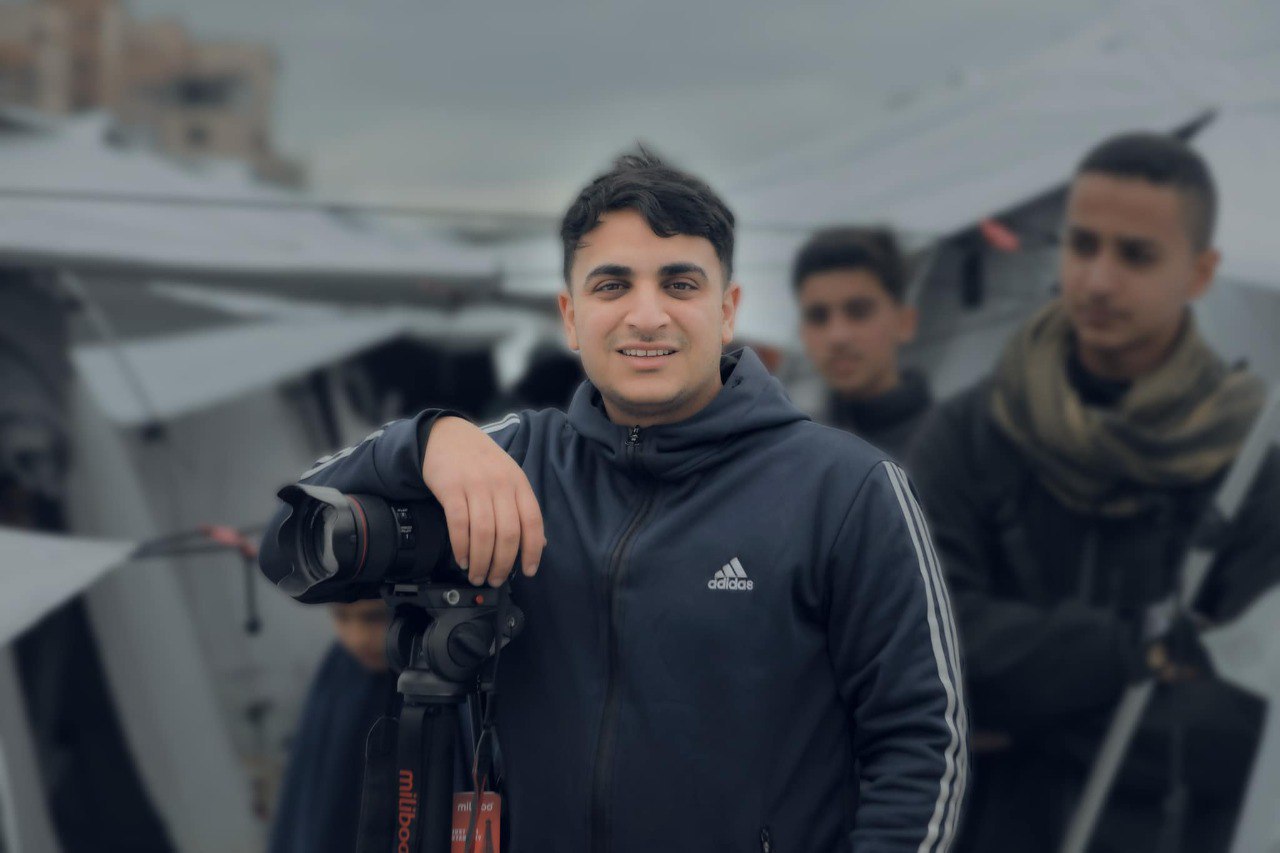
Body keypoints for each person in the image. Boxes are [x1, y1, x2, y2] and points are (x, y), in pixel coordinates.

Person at [261, 149, 966, 852]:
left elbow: (920, 741)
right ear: (571, 317)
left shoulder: (845, 490)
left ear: (727, 312)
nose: (647, 315)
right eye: (612, 285)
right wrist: (427, 441)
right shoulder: (509, 461)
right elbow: (285, 545)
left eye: (680, 283)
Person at [908, 132, 1280, 853]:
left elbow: (1246, 726)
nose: (1098, 280)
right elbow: (921, 651)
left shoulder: (1247, 472)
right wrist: (1136, 651)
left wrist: (1021, 715)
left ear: (1200, 272)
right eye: (1082, 245)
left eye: (1136, 255)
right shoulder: (969, 435)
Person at [789, 227, 930, 460]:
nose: (837, 336)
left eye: (859, 311)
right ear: (802, 333)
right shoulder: (792, 450)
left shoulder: (959, 448)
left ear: (905, 322)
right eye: (818, 317)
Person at [268, 600, 398, 853]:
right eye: (341, 617)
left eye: (375, 617)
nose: (358, 638)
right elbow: (311, 802)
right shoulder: (341, 671)